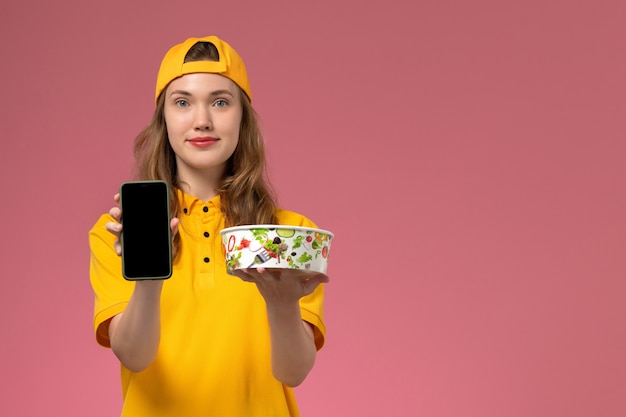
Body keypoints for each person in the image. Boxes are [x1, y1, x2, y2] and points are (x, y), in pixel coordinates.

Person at [88, 35, 328, 417]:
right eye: (182, 102)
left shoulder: (289, 235)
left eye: (220, 102)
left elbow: (293, 372)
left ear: (242, 117)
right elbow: (133, 356)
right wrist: (149, 276)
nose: (202, 120)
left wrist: (283, 304)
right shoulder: (117, 233)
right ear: (163, 118)